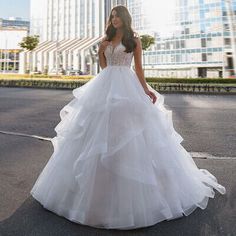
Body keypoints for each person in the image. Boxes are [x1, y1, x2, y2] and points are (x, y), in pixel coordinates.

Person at [30, 5, 226, 230]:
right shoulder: (104, 41)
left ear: (124, 18)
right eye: (111, 16)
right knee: (95, 133)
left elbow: (140, 69)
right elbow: (103, 68)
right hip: (105, 87)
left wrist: (146, 90)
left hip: (128, 86)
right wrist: (102, 49)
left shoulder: (135, 41)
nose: (114, 19)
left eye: (117, 16)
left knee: (131, 134)